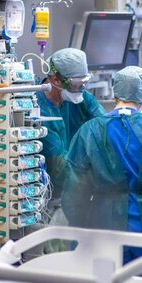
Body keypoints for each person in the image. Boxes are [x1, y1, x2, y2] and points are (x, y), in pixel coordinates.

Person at [62, 66, 142, 264]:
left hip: (102, 224)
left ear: (115, 93)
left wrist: (82, 230)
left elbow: (74, 194)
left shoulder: (90, 131)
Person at [37, 48, 106, 200]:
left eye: (84, 82)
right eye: (76, 83)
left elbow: (107, 127)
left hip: (80, 184)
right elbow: (61, 170)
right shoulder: (40, 112)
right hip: (53, 194)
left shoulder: (81, 98)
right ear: (55, 80)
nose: (81, 88)